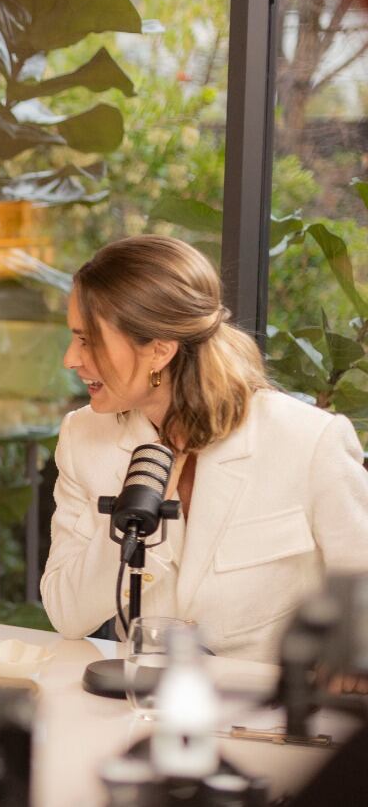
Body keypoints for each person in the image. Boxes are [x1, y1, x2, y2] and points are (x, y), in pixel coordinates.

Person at [42, 235, 368, 661]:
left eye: (88, 341)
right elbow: (66, 613)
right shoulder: (83, 437)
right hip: (139, 709)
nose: (71, 358)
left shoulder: (307, 441)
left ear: (159, 350)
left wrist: (352, 657)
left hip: (271, 717)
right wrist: (136, 515)